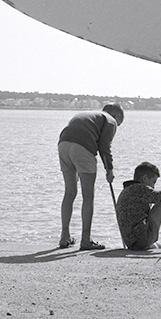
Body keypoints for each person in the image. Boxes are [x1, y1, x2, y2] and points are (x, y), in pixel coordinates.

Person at [58, 103, 124, 250]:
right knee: (88, 196)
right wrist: (110, 169)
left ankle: (64, 236)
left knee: (70, 193)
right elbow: (104, 147)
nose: (117, 127)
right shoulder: (110, 120)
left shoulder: (91, 115)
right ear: (117, 116)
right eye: (119, 124)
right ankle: (86, 240)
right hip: (82, 147)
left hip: (63, 144)